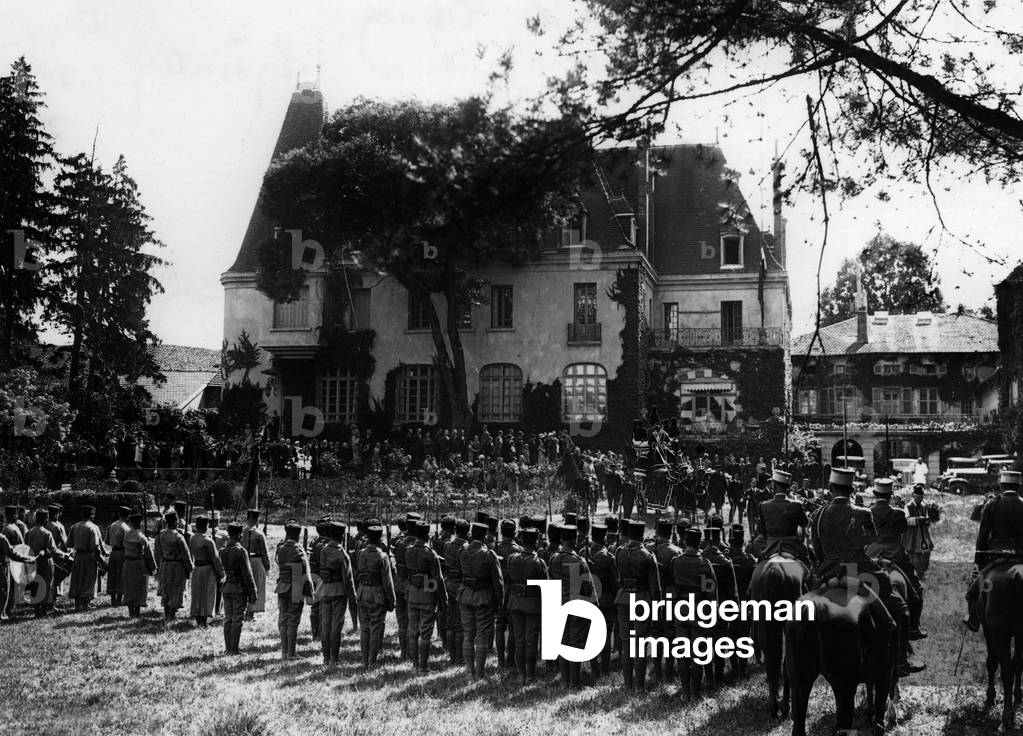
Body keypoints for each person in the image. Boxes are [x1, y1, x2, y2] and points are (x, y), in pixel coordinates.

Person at [808, 467, 923, 676]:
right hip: (859, 568)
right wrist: (852, 543)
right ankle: (899, 660)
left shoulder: (818, 513)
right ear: (852, 489)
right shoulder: (862, 512)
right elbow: (871, 538)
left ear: (830, 488)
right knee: (900, 606)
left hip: (828, 570)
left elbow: (816, 547)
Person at [866, 478, 926, 640]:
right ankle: (913, 627)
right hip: (895, 555)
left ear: (875, 494)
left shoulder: (866, 512)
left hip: (871, 554)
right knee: (916, 589)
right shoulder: (898, 513)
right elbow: (901, 530)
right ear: (890, 495)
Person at [965, 469, 1023, 632]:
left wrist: (978, 562)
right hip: (1021, 558)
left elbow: (982, 535)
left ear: (1001, 485)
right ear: (1018, 486)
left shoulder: (992, 504)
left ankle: (973, 618)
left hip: (995, 558)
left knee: (974, 589)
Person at [615, 518, 661, 692]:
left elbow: (619, 577)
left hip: (623, 599)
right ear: (641, 535)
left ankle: (628, 685)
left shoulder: (619, 551)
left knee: (626, 642)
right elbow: (655, 589)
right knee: (640, 644)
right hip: (642, 600)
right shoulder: (648, 556)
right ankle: (639, 686)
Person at [672, 527, 717, 698]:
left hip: (681, 608)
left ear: (684, 541)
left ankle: (685, 692)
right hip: (699, 609)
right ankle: (695, 693)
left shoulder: (676, 562)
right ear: (700, 543)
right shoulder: (705, 565)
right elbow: (710, 592)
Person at [457, 521, 504, 680]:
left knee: (468, 634)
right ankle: (480, 673)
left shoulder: (462, 551)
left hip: (465, 595)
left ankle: (470, 672)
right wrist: (500, 603)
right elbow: (498, 582)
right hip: (483, 597)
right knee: (482, 635)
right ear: (485, 536)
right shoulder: (489, 554)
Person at [548, 523, 592, 688]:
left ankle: (565, 680)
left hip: (557, 604)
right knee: (574, 644)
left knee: (562, 642)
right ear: (574, 540)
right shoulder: (578, 560)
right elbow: (588, 587)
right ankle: (574, 682)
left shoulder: (553, 559)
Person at [405, 519, 445, 673]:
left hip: (412, 594)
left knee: (413, 631)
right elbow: (437, 580)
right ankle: (423, 667)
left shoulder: (408, 550)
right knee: (426, 633)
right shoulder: (430, 554)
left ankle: (415, 665)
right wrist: (442, 598)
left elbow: (410, 574)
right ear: (427, 535)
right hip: (427, 596)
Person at [317, 521, 357, 666]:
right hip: (339, 592)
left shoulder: (323, 550)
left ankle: (326, 657)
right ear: (341, 536)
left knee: (325, 625)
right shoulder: (343, 555)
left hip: (325, 590)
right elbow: (348, 579)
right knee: (336, 626)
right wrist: (353, 597)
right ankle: (334, 658)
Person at [356, 523, 395, 667]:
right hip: (377, 594)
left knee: (364, 627)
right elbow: (388, 582)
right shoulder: (382, 556)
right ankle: (372, 661)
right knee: (375, 628)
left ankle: (364, 659)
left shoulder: (360, 553)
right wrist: (392, 600)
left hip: (362, 592)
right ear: (379, 538)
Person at [755, 469, 811, 568]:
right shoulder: (796, 505)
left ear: (773, 485)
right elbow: (804, 523)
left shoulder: (763, 506)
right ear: (788, 487)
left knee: (757, 569)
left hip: (770, 548)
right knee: (808, 567)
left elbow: (762, 531)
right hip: (792, 547)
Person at [586, 523, 618, 680]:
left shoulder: (582, 553)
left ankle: (594, 667)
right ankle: (604, 669)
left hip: (588, 599)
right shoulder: (607, 557)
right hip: (605, 600)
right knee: (606, 635)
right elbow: (614, 581)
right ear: (604, 537)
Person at [275, 521, 311, 660]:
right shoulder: (298, 550)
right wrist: (309, 592)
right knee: (293, 620)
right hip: (296, 586)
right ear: (298, 535)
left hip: (282, 585)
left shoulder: (281, 548)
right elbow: (305, 572)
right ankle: (291, 653)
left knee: (283, 619)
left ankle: (284, 652)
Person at [24, 509, 69, 618]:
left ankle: (36, 611)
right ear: (45, 518)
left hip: (32, 561)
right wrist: (65, 554)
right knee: (46, 585)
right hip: (45, 561)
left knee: (35, 584)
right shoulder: (46, 533)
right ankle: (43, 612)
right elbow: (53, 550)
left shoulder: (29, 532)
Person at [220, 522, 257, 654]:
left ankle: (228, 649)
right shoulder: (241, 551)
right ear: (239, 535)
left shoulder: (222, 551)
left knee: (228, 618)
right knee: (237, 619)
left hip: (227, 586)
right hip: (239, 588)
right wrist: (253, 592)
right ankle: (234, 649)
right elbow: (247, 574)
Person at [493, 519, 522, 669]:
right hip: (512, 592)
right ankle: (510, 660)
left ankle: (500, 661)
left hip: (498, 591)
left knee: (499, 625)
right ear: (515, 532)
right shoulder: (519, 550)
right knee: (511, 627)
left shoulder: (494, 548)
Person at [155, 511, 193, 622]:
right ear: (175, 521)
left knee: (166, 589)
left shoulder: (161, 534)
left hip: (165, 564)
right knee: (176, 589)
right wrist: (190, 568)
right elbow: (186, 554)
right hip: (177, 565)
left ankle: (167, 613)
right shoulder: (178, 537)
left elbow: (158, 551)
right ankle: (171, 615)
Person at [68, 506, 107, 612]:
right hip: (89, 556)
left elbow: (69, 543)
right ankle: (84, 605)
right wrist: (101, 560)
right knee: (88, 579)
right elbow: (95, 546)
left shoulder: (75, 526)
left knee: (77, 579)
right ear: (92, 515)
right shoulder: (93, 527)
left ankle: (77, 604)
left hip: (77, 556)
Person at [189, 516, 225, 627]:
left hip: (197, 568)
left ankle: (198, 617)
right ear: (207, 526)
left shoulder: (192, 538)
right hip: (208, 569)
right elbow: (215, 558)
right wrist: (221, 572)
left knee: (197, 593)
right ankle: (203, 621)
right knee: (207, 594)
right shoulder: (208, 541)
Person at [442, 518, 469, 664]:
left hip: (449, 584)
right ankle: (459, 658)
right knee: (460, 625)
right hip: (461, 586)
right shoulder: (465, 548)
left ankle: (452, 655)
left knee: (450, 622)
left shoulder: (447, 545)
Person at [122, 513, 157, 619]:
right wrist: (153, 567)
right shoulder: (141, 537)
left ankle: (130, 610)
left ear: (131, 523)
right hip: (138, 564)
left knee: (129, 586)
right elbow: (148, 554)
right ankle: (136, 612)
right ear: (140, 523)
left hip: (128, 562)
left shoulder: (126, 534)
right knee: (138, 587)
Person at [242, 509, 271, 619]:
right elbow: (264, 552)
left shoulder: (242, 532)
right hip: (256, 561)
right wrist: (267, 566)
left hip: (244, 560)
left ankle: (244, 609)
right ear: (256, 519)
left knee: (245, 584)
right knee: (256, 585)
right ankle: (251, 612)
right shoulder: (259, 534)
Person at [902, 486, 935, 578]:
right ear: (913, 496)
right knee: (913, 552)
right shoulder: (908, 506)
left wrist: (927, 521)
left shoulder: (924, 506)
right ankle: (912, 572)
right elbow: (906, 521)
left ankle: (921, 572)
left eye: (921, 497)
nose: (919, 499)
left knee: (925, 551)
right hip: (912, 534)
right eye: (917, 497)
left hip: (923, 533)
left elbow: (927, 517)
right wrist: (917, 519)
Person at [106, 506, 132, 607]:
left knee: (112, 575)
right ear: (128, 516)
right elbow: (127, 543)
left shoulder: (112, 525)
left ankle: (112, 599)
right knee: (121, 575)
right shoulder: (126, 528)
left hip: (113, 552)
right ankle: (119, 599)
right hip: (122, 552)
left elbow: (107, 541)